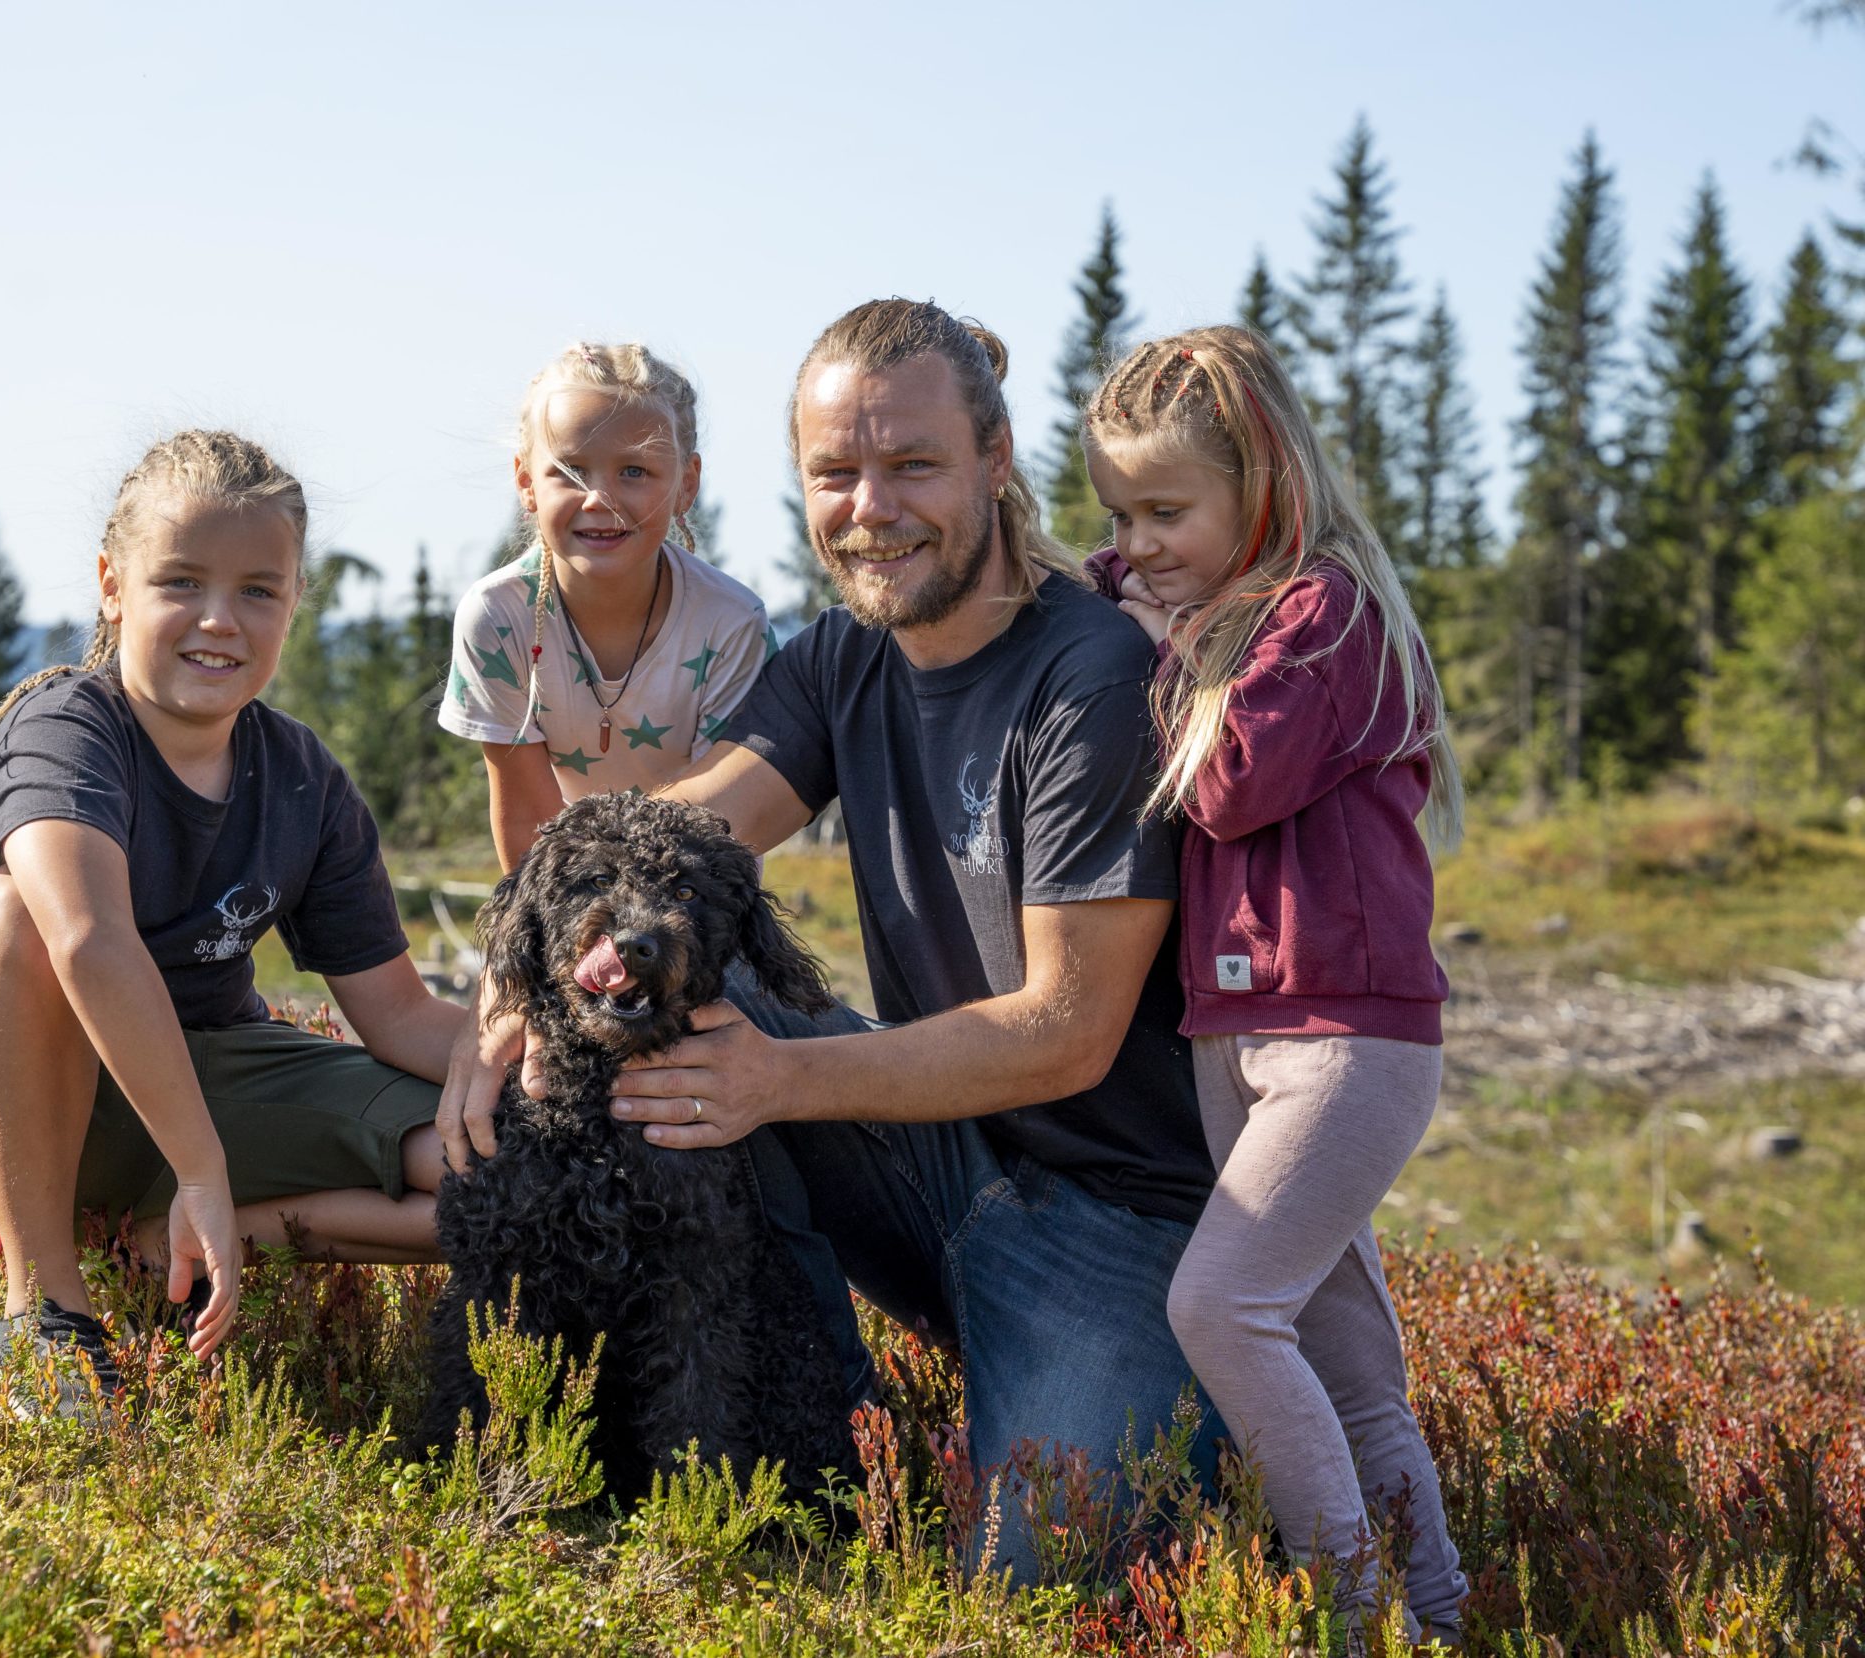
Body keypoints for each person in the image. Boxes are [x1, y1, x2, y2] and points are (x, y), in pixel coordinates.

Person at [436, 299, 1226, 1582]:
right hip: (933, 1156)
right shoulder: (843, 657)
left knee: (1025, 1586)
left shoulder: (1087, 677)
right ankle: (755, 1425)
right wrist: (512, 989)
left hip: (1116, 1216)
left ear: (995, 454)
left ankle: (1084, 1387)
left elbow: (1071, 1028)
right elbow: (654, 836)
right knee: (679, 939)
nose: (872, 507)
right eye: (834, 473)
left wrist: (785, 1077)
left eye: (912, 464)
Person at [0, 429, 465, 1417]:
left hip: (202, 1075)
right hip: (6, 1101)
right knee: (23, 909)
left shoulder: (303, 780)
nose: (218, 620)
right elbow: (85, 942)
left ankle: (211, 1230)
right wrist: (199, 1160)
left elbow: (403, 1018)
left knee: (509, 1167)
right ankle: (46, 1318)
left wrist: (567, 1057)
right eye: (180, 582)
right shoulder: (67, 727)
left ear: (294, 602)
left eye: (257, 589)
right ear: (112, 584)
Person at [1081, 326, 1468, 1639]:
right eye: (1120, 510)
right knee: (1352, 1360)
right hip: (1234, 1036)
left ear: (1265, 482)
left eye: (1167, 508)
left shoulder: (1328, 609)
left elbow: (1234, 779)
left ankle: (1352, 1616)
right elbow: (1085, 588)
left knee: (1224, 1305)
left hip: (1343, 1038)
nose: (1138, 540)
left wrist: (1161, 638)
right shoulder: (1198, 603)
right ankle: (1440, 1610)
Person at [438, 342, 774, 872]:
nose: (599, 498)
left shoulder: (731, 624)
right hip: (568, 881)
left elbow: (721, 812)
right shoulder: (499, 618)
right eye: (570, 472)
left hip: (700, 887)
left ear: (686, 484)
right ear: (526, 482)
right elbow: (527, 815)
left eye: (634, 471)